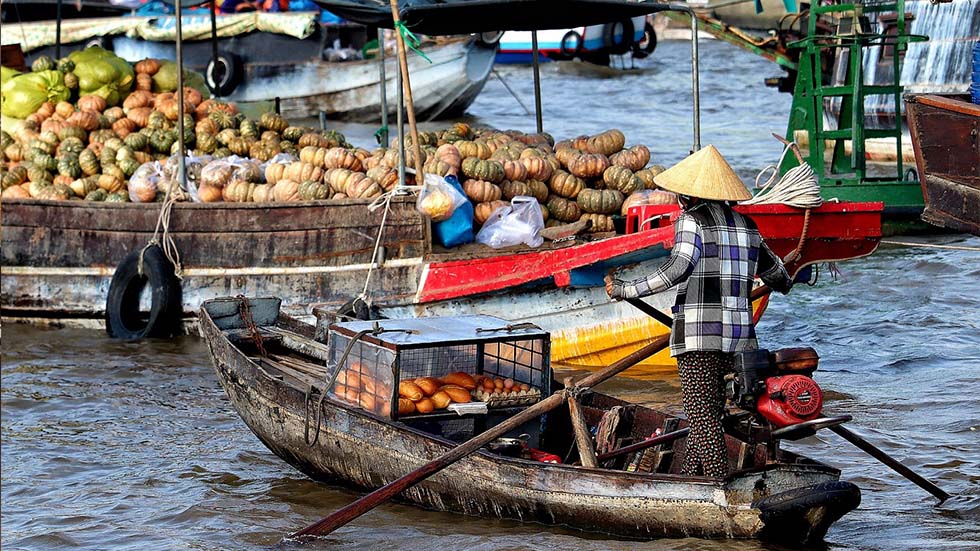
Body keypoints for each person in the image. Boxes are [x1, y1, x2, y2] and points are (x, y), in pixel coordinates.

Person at [605, 145, 793, 478]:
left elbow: (677, 269)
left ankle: (720, 485)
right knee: (710, 414)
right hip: (739, 340)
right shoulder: (747, 226)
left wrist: (626, 289)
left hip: (698, 335)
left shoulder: (691, 221)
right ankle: (690, 479)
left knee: (702, 417)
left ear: (689, 196)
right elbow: (779, 278)